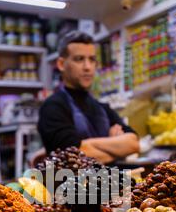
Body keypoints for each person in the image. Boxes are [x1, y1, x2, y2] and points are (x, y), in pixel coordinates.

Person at [38, 31, 139, 164]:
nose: (88, 67)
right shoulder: (52, 107)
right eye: (79, 59)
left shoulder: (102, 108)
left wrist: (87, 145)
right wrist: (117, 149)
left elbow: (133, 144)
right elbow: (72, 160)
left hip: (110, 184)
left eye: (92, 59)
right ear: (61, 64)